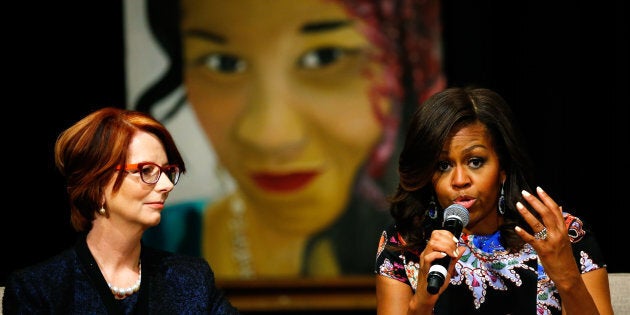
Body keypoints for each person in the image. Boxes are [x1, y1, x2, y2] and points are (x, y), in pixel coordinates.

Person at [133, 0, 446, 278]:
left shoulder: (449, 247)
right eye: (224, 64)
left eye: (324, 57)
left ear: (405, 66)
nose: (269, 136)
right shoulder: (147, 248)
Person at [374, 87, 613, 314]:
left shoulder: (563, 236)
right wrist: (422, 303)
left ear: (503, 167)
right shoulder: (405, 244)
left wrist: (567, 278)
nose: (459, 180)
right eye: (443, 165)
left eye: (475, 161)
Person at [2, 107, 239, 314]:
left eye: (168, 171)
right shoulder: (38, 289)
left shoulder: (190, 278)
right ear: (98, 184)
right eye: (147, 171)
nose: (166, 185)